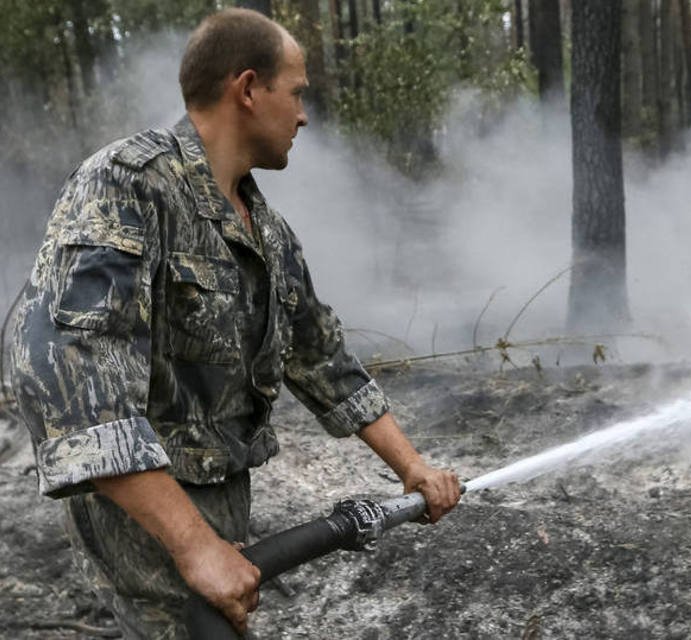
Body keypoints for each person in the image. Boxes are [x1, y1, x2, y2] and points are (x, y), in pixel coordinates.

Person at [10, 8, 460, 639]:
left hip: (220, 501)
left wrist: (411, 466)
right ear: (247, 89)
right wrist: (195, 545)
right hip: (149, 515)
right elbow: (70, 383)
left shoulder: (263, 228)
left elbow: (320, 354)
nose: (304, 115)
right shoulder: (128, 185)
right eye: (297, 92)